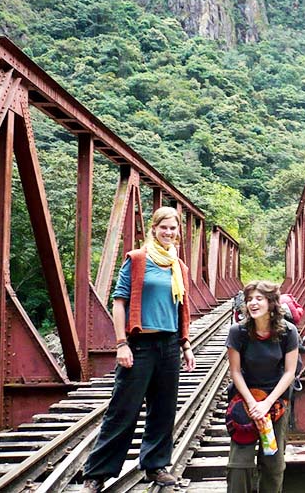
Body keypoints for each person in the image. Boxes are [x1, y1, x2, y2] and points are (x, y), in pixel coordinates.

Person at [81, 206, 196, 493]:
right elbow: (119, 302)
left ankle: (155, 465)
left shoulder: (178, 267)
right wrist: (121, 343)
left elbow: (180, 309)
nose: (168, 233)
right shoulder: (137, 260)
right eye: (163, 227)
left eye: (173, 228)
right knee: (123, 409)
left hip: (169, 344)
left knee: (163, 409)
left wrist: (186, 344)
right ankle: (97, 473)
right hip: (140, 343)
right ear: (154, 229)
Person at [225, 280, 299, 493]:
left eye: (259, 299)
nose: (253, 304)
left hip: (276, 402)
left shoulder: (288, 332)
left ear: (271, 303)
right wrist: (252, 403)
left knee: (273, 463)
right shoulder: (238, 332)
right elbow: (235, 372)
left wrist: (266, 403)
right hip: (244, 401)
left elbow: (289, 372)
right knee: (239, 463)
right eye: (249, 300)